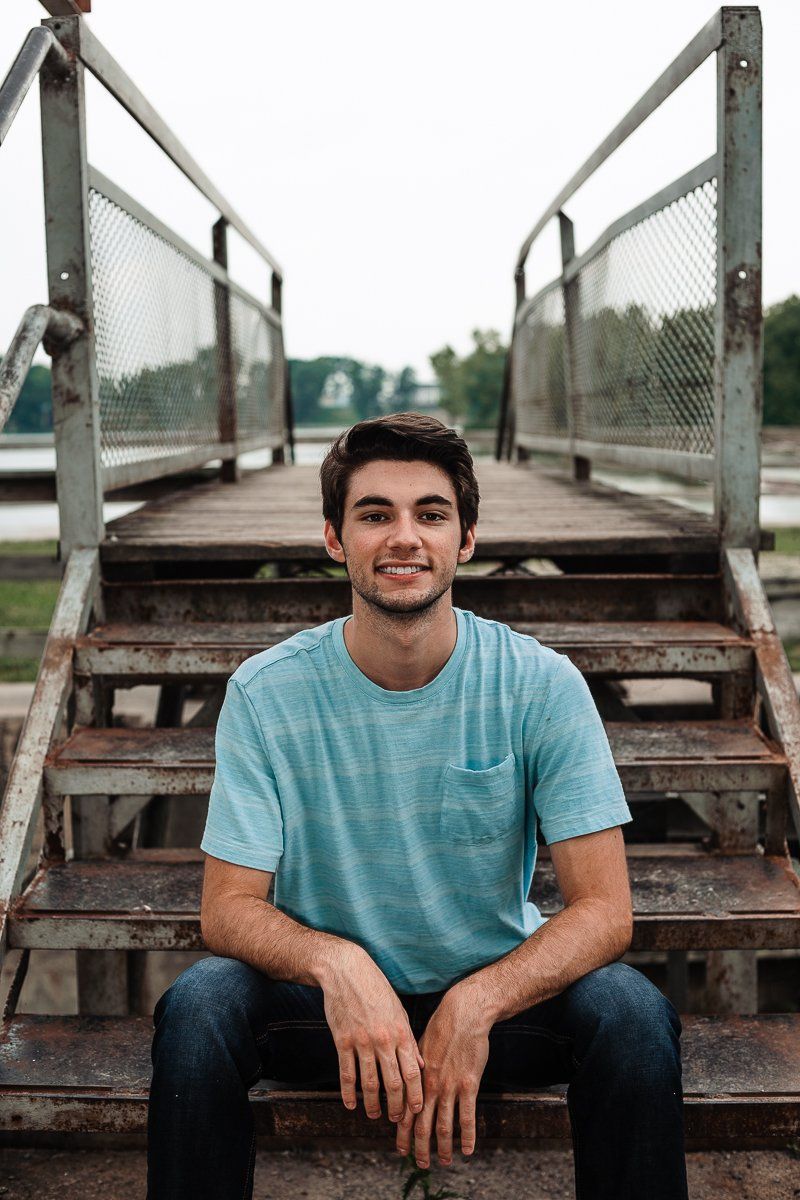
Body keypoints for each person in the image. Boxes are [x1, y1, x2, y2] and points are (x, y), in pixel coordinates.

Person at [147, 412, 689, 1200]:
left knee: (633, 1016)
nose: (404, 537)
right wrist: (337, 964)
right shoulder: (266, 694)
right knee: (199, 1007)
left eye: (430, 514)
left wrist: (479, 1000)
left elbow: (605, 911)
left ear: (465, 538)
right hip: (328, 1010)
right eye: (375, 514)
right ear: (336, 538)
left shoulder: (540, 684)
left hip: (493, 999)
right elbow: (227, 910)